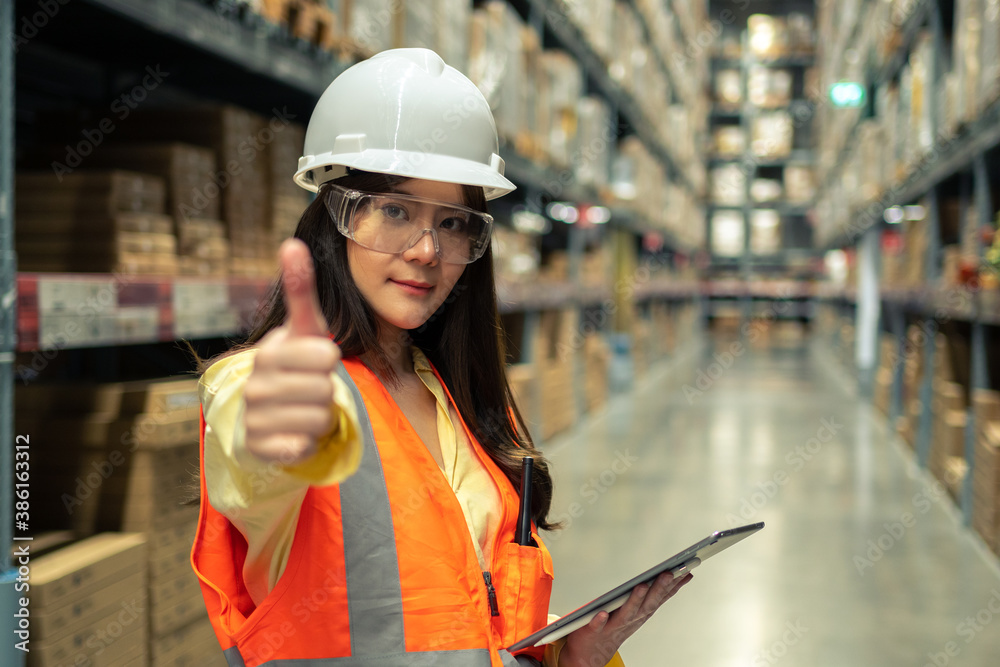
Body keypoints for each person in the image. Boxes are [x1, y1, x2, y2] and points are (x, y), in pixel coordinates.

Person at [191, 48, 690, 667]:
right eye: (395, 210)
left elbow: (463, 623)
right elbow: (257, 451)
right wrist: (275, 424)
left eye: (454, 222)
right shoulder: (266, 387)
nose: (428, 250)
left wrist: (565, 656)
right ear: (334, 213)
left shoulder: (449, 391)